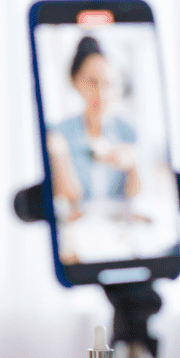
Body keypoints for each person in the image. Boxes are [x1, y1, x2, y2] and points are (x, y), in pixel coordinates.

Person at [48, 36, 140, 223]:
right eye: (92, 82)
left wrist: (133, 165)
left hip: (119, 228)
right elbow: (70, 200)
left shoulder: (128, 132)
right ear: (76, 81)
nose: (101, 93)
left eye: (108, 84)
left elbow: (135, 198)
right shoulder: (59, 134)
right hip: (80, 227)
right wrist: (60, 157)